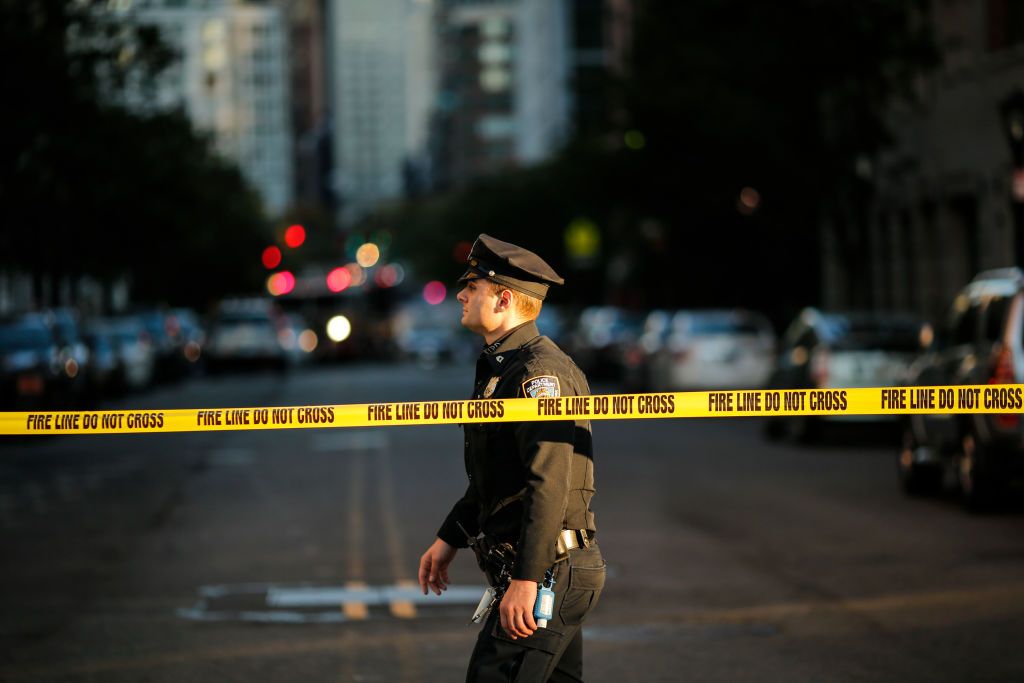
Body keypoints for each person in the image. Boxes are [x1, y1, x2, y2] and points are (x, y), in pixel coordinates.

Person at [418, 234, 605, 682]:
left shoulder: (539, 375)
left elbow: (549, 482)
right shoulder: (505, 367)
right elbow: (497, 479)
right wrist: (450, 539)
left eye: (473, 287)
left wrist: (525, 580)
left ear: (503, 299)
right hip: (548, 570)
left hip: (547, 573)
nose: (461, 294)